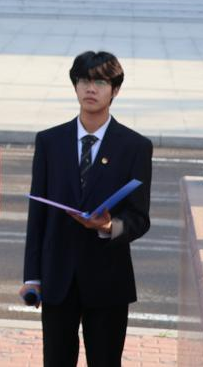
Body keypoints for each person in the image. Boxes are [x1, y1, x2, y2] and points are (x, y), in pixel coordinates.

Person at [19, 51, 152, 367]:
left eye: (100, 82)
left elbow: (139, 218)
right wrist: (32, 277)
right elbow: (37, 216)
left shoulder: (135, 146)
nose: (91, 88)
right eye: (84, 80)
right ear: (75, 86)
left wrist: (107, 226)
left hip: (108, 279)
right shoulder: (49, 142)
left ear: (115, 90)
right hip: (57, 277)